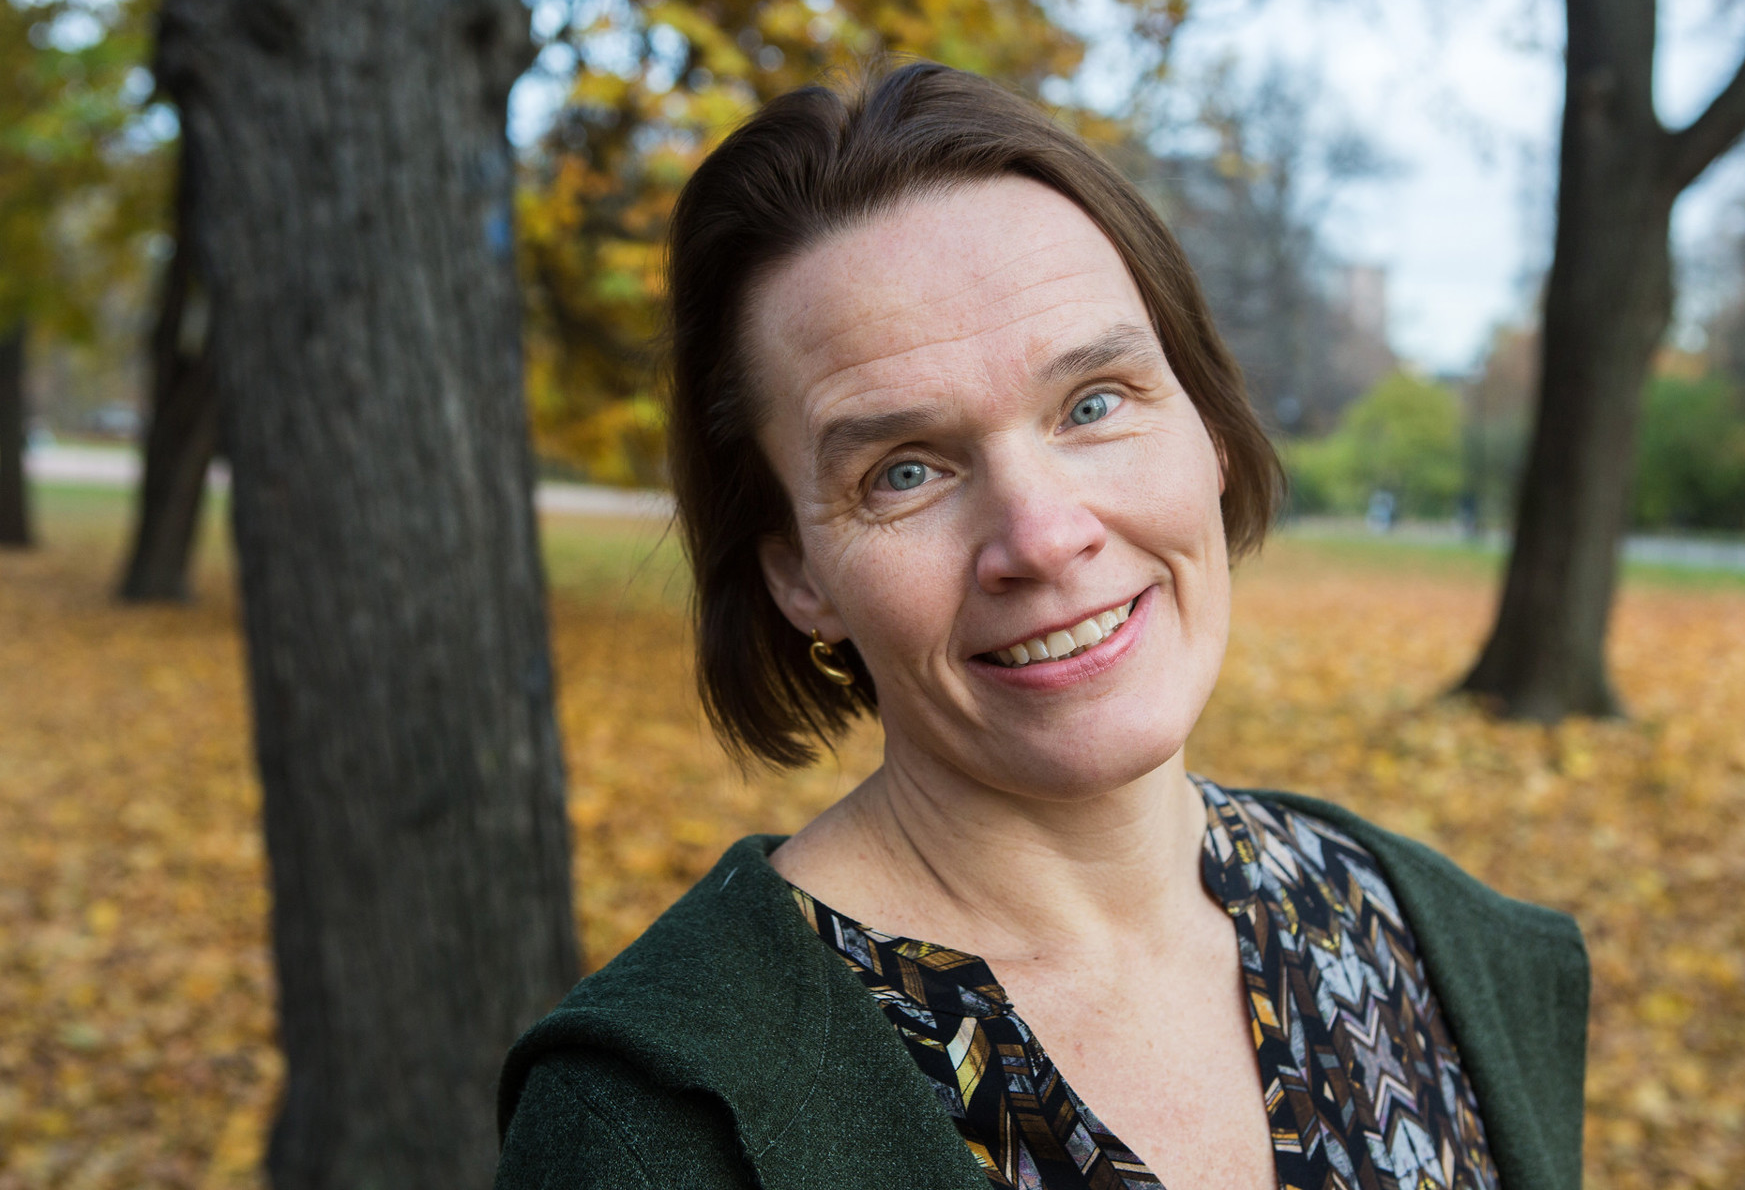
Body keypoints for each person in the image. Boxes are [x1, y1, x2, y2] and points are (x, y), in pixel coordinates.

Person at [494, 61, 1588, 1190]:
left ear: (1208, 426)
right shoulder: (651, 1132)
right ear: (798, 575)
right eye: (903, 471)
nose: (1043, 535)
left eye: (1094, 402)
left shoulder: (1437, 946)